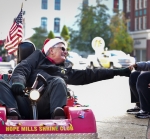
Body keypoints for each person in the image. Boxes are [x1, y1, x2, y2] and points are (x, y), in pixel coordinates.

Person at [0, 38, 132, 119]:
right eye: (62, 48)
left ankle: (57, 115)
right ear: (51, 50)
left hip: (45, 104)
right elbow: (22, 68)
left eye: (66, 50)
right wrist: (18, 82)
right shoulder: (37, 57)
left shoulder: (64, 70)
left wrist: (117, 72)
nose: (66, 52)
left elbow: (89, 74)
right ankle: (12, 113)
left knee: (58, 80)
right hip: (22, 101)